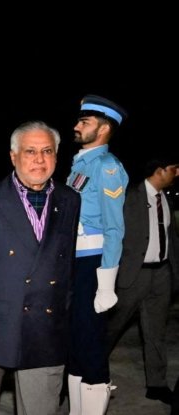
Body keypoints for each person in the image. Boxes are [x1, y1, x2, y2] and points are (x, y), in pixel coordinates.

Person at [0, 120, 80, 415]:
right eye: (30, 151)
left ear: (57, 156)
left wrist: (64, 325)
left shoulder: (70, 200)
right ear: (13, 156)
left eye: (47, 151)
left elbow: (67, 272)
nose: (39, 159)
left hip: (46, 331)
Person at [66, 94, 129, 414]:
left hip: (93, 264)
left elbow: (114, 229)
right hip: (74, 265)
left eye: (84, 122)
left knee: (90, 346)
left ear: (103, 129)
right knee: (75, 345)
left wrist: (106, 284)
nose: (76, 126)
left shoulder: (106, 167)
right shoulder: (81, 162)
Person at [106, 159, 178, 405]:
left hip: (161, 275)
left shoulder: (165, 197)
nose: (177, 173)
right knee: (110, 329)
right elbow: (114, 237)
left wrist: (173, 273)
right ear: (160, 170)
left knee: (156, 332)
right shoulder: (130, 197)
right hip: (132, 276)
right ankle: (87, 373)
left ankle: (156, 384)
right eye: (173, 168)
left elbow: (171, 238)